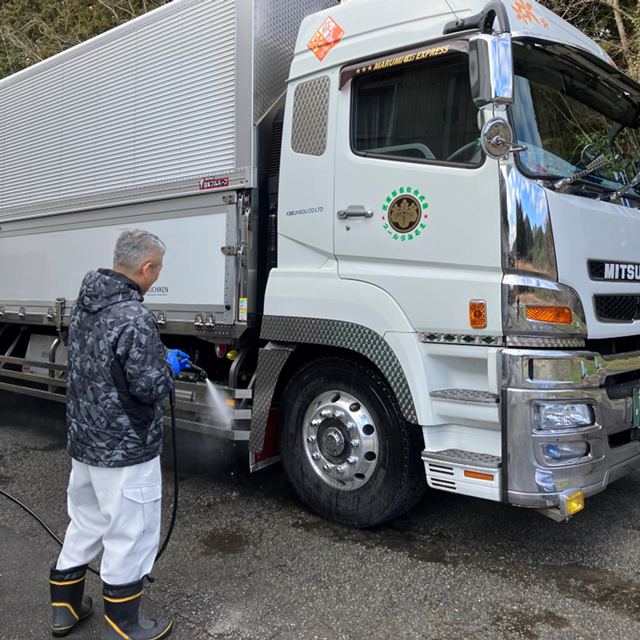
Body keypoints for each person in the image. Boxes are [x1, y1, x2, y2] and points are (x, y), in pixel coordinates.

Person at [49, 229, 190, 640]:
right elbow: (148, 387)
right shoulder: (134, 315)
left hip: (86, 444)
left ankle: (64, 609)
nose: (156, 275)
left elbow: (104, 365)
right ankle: (123, 624)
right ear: (147, 268)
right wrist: (168, 368)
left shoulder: (86, 304)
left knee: (86, 521)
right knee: (132, 532)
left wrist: (152, 357)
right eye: (158, 269)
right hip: (126, 449)